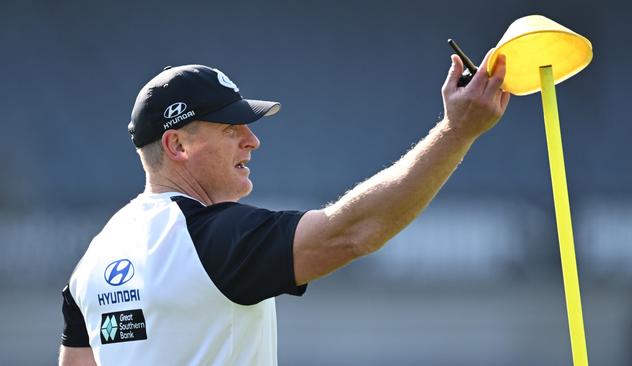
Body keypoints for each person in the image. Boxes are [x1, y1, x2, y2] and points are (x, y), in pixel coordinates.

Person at [59, 51, 509, 366]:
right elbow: (355, 231)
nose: (252, 140)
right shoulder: (212, 239)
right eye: (231, 128)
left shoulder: (93, 261)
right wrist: (456, 131)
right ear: (177, 144)